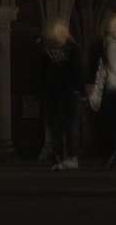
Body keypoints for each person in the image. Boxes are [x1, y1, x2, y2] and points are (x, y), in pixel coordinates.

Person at [87, 11, 116, 171]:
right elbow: (93, 64)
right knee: (109, 125)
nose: (113, 27)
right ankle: (113, 151)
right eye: (111, 25)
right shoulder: (101, 45)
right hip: (109, 90)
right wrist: (89, 84)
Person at [41, 20, 83, 170]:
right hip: (52, 93)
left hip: (68, 92)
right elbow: (42, 71)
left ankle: (72, 157)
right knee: (54, 128)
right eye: (55, 30)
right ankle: (57, 158)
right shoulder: (48, 50)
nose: (57, 33)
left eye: (60, 30)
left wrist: (79, 89)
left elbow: (78, 69)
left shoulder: (73, 49)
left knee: (70, 126)